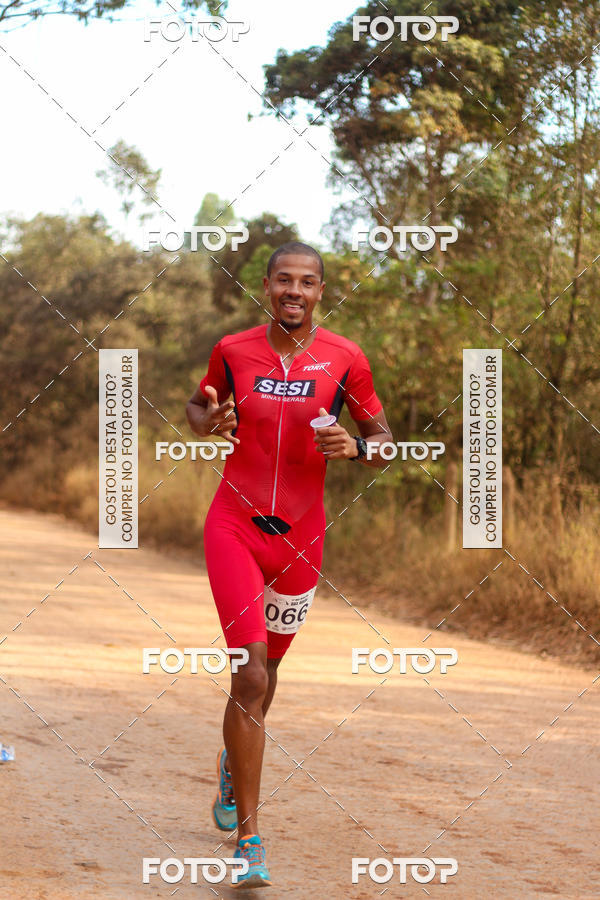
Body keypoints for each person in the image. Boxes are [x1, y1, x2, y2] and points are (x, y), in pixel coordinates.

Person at [186, 241, 393, 889]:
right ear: (267, 286)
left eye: (307, 282)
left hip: (302, 542)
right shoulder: (233, 347)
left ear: (320, 292)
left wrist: (356, 448)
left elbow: (385, 443)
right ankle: (248, 838)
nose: (293, 291)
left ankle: (231, 761)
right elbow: (199, 403)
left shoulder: (345, 357)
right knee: (248, 675)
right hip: (235, 528)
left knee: (268, 675)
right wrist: (207, 419)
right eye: (283, 280)